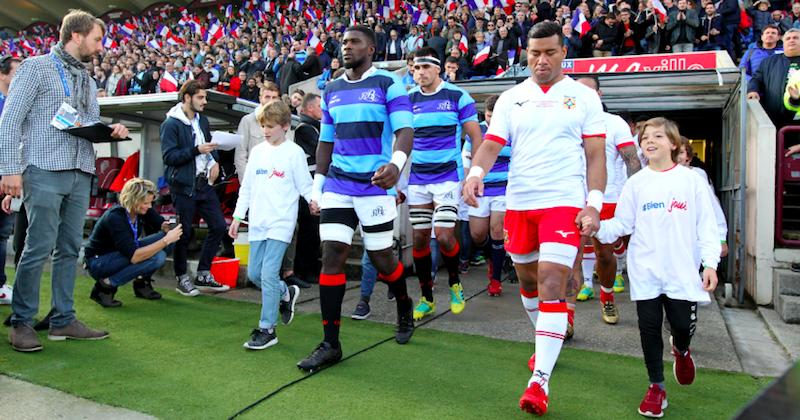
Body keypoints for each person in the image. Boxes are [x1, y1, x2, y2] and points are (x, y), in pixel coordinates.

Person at [463, 22, 606, 415]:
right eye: (534, 54)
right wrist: (475, 175)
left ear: (564, 53)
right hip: (520, 202)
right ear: (525, 54)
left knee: (551, 281)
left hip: (562, 200)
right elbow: (492, 144)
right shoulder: (512, 98)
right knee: (527, 283)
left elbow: (595, 155)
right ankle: (547, 339)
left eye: (549, 53)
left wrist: (593, 203)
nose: (541, 61)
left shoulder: (583, 97)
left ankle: (540, 380)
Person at [0, 10, 130, 352]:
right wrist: (9, 169)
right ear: (76, 35)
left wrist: (110, 129)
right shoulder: (35, 67)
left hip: (80, 170)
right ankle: (22, 322)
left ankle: (62, 320)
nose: (101, 46)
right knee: (37, 246)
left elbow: (86, 122)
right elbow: (10, 119)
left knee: (70, 248)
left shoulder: (87, 79)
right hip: (42, 167)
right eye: (97, 38)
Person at [296, 26, 415, 372]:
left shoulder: (388, 84)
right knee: (332, 255)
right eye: (344, 42)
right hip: (338, 185)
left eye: (354, 42)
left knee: (381, 259)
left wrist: (396, 165)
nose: (347, 47)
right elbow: (326, 142)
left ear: (372, 49)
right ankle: (331, 344)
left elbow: (406, 130)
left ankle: (404, 304)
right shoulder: (331, 89)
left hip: (376, 185)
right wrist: (319, 184)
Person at [592, 118, 720, 419]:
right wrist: (595, 226)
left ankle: (682, 351)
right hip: (646, 270)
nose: (649, 141)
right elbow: (622, 224)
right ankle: (656, 387)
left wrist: (710, 263)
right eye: (645, 137)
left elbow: (707, 225)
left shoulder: (692, 181)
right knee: (648, 329)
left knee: (681, 328)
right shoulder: (635, 183)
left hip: (682, 272)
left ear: (673, 144)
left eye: (657, 136)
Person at [406, 47, 483, 321]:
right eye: (415, 68)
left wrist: (474, 174)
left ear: (439, 69)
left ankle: (454, 283)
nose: (420, 73)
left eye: (425, 67)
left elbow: (476, 137)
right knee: (419, 237)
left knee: (445, 234)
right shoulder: (407, 99)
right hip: (417, 179)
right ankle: (426, 297)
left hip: (448, 177)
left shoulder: (457, 96)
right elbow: (398, 139)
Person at [229, 101, 310, 350]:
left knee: (267, 273)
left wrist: (317, 202)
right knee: (254, 274)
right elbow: (248, 188)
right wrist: (237, 216)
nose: (265, 130)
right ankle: (285, 292)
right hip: (258, 223)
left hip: (281, 222)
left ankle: (267, 329)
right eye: (263, 125)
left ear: (285, 127)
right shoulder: (257, 152)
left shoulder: (294, 153)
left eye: (271, 126)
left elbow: (305, 185)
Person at [572, 76, 642, 328]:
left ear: (599, 95)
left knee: (604, 255)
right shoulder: (566, 120)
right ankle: (566, 317)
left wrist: (638, 193)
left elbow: (632, 160)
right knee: (572, 256)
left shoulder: (614, 123)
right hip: (569, 198)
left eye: (590, 91)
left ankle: (607, 295)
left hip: (607, 198)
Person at [160, 80, 230, 297]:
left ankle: (203, 273)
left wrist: (215, 161)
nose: (205, 102)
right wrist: (196, 150)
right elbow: (169, 157)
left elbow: (209, 146)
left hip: (203, 184)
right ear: (187, 98)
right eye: (200, 97)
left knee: (218, 226)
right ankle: (182, 277)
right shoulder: (171, 124)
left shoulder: (203, 120)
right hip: (182, 185)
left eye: (205, 97)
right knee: (185, 232)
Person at [83, 178, 181, 307]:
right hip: (99, 262)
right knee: (158, 257)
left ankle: (141, 281)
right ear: (133, 200)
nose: (149, 206)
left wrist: (166, 227)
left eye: (150, 202)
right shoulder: (115, 217)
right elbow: (135, 257)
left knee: (169, 238)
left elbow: (160, 223)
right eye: (146, 203)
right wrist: (166, 240)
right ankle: (106, 285)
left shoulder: (139, 209)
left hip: (121, 253)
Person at [465, 94, 509, 297]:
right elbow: (467, 157)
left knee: (497, 230)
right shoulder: (478, 131)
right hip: (480, 189)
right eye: (489, 115)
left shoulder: (511, 129)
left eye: (495, 115)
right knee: (478, 235)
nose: (492, 120)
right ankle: (493, 257)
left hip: (504, 188)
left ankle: (495, 278)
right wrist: (467, 182)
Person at [293, 93, 323, 283]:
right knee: (309, 229)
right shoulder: (304, 129)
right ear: (309, 108)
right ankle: (304, 270)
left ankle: (311, 267)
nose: (322, 109)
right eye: (319, 106)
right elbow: (320, 151)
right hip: (308, 185)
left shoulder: (314, 127)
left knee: (314, 230)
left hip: (314, 184)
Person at [748, 28, 800, 127]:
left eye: (796, 38)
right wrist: (752, 90)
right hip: (774, 118)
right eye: (788, 38)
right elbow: (756, 79)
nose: (791, 40)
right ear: (783, 42)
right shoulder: (768, 62)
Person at [0, 55, 20, 305]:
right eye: (17, 73)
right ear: (3, 74)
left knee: (3, 233)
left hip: (8, 176)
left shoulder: (12, 102)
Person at [235, 81, 280, 177]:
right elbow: (240, 156)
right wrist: (246, 184)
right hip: (254, 179)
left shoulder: (282, 123)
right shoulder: (248, 121)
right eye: (267, 97)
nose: (270, 101)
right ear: (260, 98)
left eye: (274, 98)